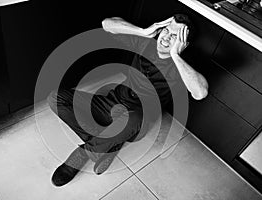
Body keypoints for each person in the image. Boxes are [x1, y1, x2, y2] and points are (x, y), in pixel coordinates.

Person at [47, 13, 208, 187]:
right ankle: (108, 145)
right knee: (56, 98)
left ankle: (84, 153)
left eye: (175, 36)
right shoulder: (146, 42)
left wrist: (176, 56)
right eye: (166, 30)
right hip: (112, 102)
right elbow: (106, 24)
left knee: (132, 119)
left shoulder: (183, 66)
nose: (166, 37)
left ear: (183, 44)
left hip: (136, 118)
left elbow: (200, 93)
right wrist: (144, 31)